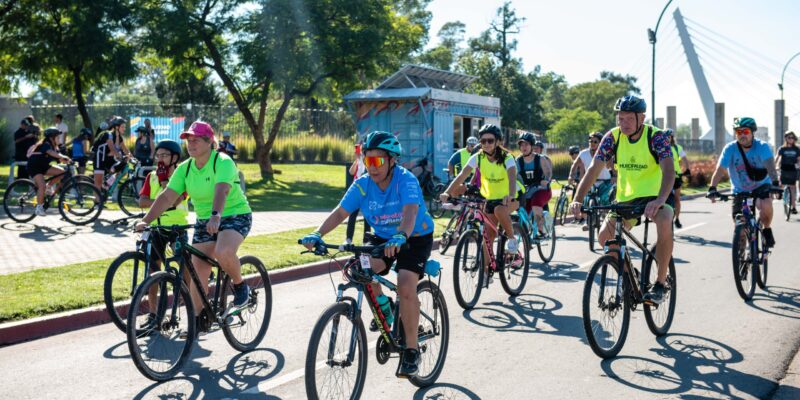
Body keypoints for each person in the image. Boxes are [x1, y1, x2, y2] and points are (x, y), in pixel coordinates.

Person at [301, 130, 434, 378]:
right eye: (367, 160)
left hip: (413, 237)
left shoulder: (406, 181)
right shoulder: (362, 185)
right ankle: (386, 309)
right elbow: (340, 212)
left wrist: (401, 235)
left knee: (406, 286)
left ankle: (412, 351)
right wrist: (317, 234)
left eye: (377, 161)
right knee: (360, 270)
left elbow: (410, 214)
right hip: (384, 237)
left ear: (392, 160)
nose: (371, 167)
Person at [135, 121, 252, 332]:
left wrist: (216, 216)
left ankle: (240, 286)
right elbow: (167, 197)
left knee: (223, 251)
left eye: (196, 139)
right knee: (197, 273)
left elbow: (221, 191)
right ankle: (199, 321)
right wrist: (146, 221)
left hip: (234, 214)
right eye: (188, 140)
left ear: (209, 141)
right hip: (204, 221)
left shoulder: (222, 161)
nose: (191, 143)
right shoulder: (185, 168)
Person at [570, 95, 675, 304]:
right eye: (620, 118)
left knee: (664, 222)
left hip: (656, 196)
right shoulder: (613, 137)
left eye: (628, 118)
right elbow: (593, 169)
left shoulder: (656, 137)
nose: (623, 123)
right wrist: (578, 199)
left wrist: (659, 199)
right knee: (604, 238)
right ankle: (630, 274)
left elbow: (669, 172)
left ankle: (661, 284)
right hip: (626, 199)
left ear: (641, 118)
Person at [441, 124, 520, 268]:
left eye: (490, 140)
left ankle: (512, 240)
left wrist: (511, 194)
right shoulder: (478, 157)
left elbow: (512, 177)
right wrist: (447, 192)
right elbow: (461, 175)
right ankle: (485, 272)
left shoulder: (507, 157)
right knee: (488, 237)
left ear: (498, 141)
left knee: (499, 210)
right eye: (483, 141)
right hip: (490, 198)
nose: (486, 144)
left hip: (512, 195)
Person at [708, 117, 780, 247]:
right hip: (739, 189)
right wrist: (712, 188)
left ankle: (767, 229)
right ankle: (741, 256)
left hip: (761, 185)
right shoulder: (730, 148)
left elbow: (770, 167)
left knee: (766, 205)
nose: (742, 135)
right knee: (739, 226)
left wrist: (775, 183)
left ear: (752, 132)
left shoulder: (762, 147)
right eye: (738, 132)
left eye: (745, 132)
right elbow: (720, 170)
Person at [570, 132, 613, 229]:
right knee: (586, 198)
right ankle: (587, 221)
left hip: (604, 181)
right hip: (591, 181)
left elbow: (612, 165)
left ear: (600, 142)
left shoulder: (605, 152)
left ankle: (608, 222)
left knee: (606, 200)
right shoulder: (583, 153)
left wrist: (614, 174)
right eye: (590, 141)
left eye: (595, 141)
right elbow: (574, 165)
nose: (592, 143)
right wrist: (570, 176)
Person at [27, 128, 71, 216]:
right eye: (57, 137)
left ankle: (48, 187)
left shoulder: (54, 146)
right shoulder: (46, 144)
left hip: (43, 166)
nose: (59, 138)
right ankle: (39, 208)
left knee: (62, 172)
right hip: (34, 167)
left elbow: (59, 156)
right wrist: (61, 156)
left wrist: (67, 160)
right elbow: (50, 152)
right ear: (52, 137)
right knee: (41, 185)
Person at [516, 132, 551, 236]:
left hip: (542, 190)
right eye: (521, 145)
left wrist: (546, 181)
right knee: (521, 212)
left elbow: (548, 173)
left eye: (526, 144)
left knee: (536, 204)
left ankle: (541, 231)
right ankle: (526, 239)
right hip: (526, 192)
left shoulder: (540, 159)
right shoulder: (518, 161)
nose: (523, 147)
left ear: (532, 145)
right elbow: (514, 176)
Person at [93, 116, 133, 190]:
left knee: (123, 167)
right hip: (100, 158)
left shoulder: (119, 137)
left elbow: (125, 149)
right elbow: (113, 149)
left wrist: (132, 158)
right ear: (117, 127)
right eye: (123, 127)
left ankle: (107, 183)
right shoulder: (108, 135)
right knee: (98, 183)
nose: (124, 128)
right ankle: (97, 201)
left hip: (108, 159)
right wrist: (121, 156)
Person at [345, 142, 371, 243]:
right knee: (352, 215)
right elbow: (351, 172)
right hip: (357, 192)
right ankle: (348, 239)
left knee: (367, 217)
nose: (359, 154)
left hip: (367, 192)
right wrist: (357, 160)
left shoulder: (368, 161)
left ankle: (366, 240)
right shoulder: (359, 161)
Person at [666, 130, 691, 228]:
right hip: (665, 177)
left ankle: (677, 218)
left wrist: (687, 169)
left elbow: (684, 159)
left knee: (676, 198)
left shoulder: (677, 148)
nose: (668, 138)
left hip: (676, 176)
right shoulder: (661, 147)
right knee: (664, 198)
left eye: (669, 136)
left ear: (672, 137)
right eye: (666, 136)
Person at [776, 131, 799, 214]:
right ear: (786, 138)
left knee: (793, 188)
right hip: (783, 168)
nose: (791, 139)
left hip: (792, 169)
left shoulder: (797, 149)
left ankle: (793, 207)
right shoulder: (782, 148)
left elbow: (799, 159)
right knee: (781, 184)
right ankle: (780, 193)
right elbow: (777, 158)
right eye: (789, 137)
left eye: (792, 137)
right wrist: (775, 167)